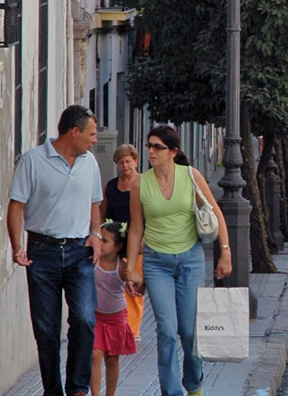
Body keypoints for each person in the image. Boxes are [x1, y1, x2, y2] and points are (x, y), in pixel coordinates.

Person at [125, 125, 232, 396]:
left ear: (173, 152)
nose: (151, 151)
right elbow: (136, 228)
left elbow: (216, 213)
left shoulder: (192, 176)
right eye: (149, 145)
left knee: (189, 331)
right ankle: (171, 392)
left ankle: (194, 384)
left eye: (158, 147)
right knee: (167, 331)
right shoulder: (140, 183)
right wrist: (130, 269)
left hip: (191, 260)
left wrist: (225, 252)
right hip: (156, 262)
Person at [7, 104, 104, 396]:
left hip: (79, 253)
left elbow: (94, 203)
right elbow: (16, 205)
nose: (95, 139)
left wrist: (96, 234)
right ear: (74, 132)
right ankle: (53, 390)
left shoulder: (90, 163)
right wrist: (16, 246)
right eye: (91, 133)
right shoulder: (33, 161)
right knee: (47, 331)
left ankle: (77, 389)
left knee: (85, 320)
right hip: (42, 252)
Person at [101, 144, 144, 340]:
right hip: (115, 243)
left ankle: (132, 329)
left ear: (135, 161)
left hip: (137, 243)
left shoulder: (144, 183)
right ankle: (118, 325)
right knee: (115, 283)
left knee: (133, 285)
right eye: (121, 162)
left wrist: (145, 237)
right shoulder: (110, 186)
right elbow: (102, 212)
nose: (125, 166)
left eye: (128, 161)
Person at [90, 221, 136, 396]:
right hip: (95, 316)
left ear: (118, 246)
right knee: (95, 355)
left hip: (115, 318)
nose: (100, 243)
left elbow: (136, 278)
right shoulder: (93, 261)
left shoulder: (121, 266)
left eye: (105, 241)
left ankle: (110, 393)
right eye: (99, 238)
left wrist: (133, 280)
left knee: (112, 358)